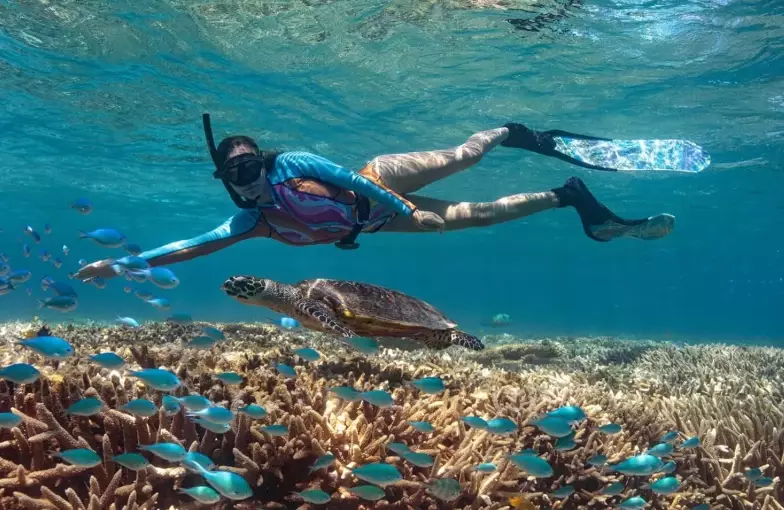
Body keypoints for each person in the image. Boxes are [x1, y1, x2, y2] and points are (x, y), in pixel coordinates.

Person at [74, 114, 701, 281]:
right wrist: (119, 264)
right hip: (373, 226)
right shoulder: (252, 221)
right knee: (470, 220)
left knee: (461, 160)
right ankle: (571, 200)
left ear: (263, 158)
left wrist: (401, 208)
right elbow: (189, 248)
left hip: (381, 181)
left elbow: (350, 184)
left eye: (251, 162)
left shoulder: (292, 164)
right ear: (224, 179)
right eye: (234, 172)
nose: (247, 175)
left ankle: (508, 132)